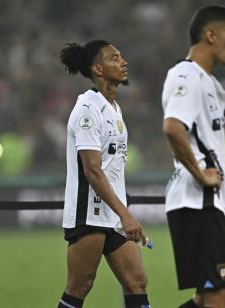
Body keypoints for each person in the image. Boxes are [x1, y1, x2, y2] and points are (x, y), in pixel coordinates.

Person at [162, 5, 225, 308]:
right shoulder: (186, 75)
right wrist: (200, 173)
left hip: (205, 203)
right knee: (220, 295)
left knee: (207, 297)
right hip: (197, 201)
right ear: (210, 35)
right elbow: (172, 128)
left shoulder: (208, 83)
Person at [57, 40, 150, 308]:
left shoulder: (114, 108)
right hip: (90, 211)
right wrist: (126, 214)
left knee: (137, 281)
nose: (123, 62)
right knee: (80, 285)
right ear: (97, 69)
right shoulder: (87, 109)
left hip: (114, 211)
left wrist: (122, 211)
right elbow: (92, 171)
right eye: (114, 58)